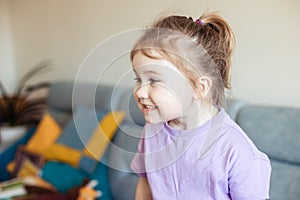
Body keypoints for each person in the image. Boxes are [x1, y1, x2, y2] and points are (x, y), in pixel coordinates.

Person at [130, 12, 271, 200]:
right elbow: (145, 183)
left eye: (154, 80)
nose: (140, 92)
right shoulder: (152, 130)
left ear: (198, 87)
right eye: (138, 79)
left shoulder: (237, 153)